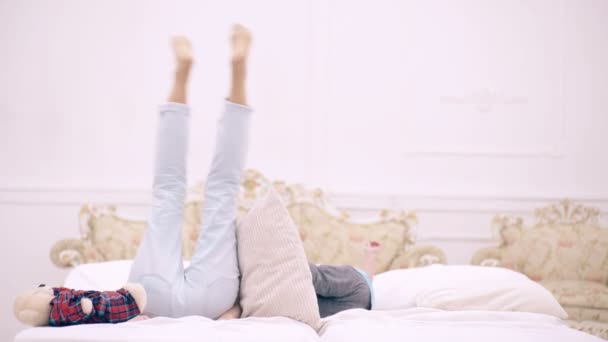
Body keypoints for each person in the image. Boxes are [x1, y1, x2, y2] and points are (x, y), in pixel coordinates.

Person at [128, 24, 253, 319]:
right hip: (172, 295)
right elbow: (233, 315)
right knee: (168, 189)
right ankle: (231, 70)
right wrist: (233, 312)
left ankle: (197, 71)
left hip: (167, 296)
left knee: (223, 186)